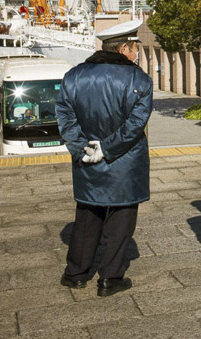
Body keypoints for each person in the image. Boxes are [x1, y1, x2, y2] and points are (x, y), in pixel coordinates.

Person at [55, 19, 153, 297]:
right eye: (134, 48)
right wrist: (106, 148)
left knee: (87, 216)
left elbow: (64, 114)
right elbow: (135, 125)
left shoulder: (74, 75)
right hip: (126, 163)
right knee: (121, 220)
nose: (136, 54)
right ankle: (110, 278)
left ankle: (75, 273)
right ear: (122, 48)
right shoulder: (139, 79)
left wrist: (81, 147)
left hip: (86, 161)